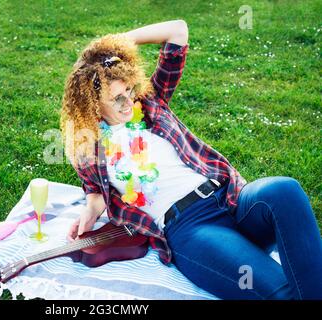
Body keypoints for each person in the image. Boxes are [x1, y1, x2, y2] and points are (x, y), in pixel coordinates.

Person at [59, 20, 322, 300]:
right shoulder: (89, 146)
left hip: (230, 199)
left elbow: (178, 31)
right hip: (191, 227)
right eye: (116, 99)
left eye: (129, 91)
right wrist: (89, 213)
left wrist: (109, 48)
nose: (127, 103)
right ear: (93, 102)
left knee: (283, 190)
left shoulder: (150, 103)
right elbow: (97, 193)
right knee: (280, 292)